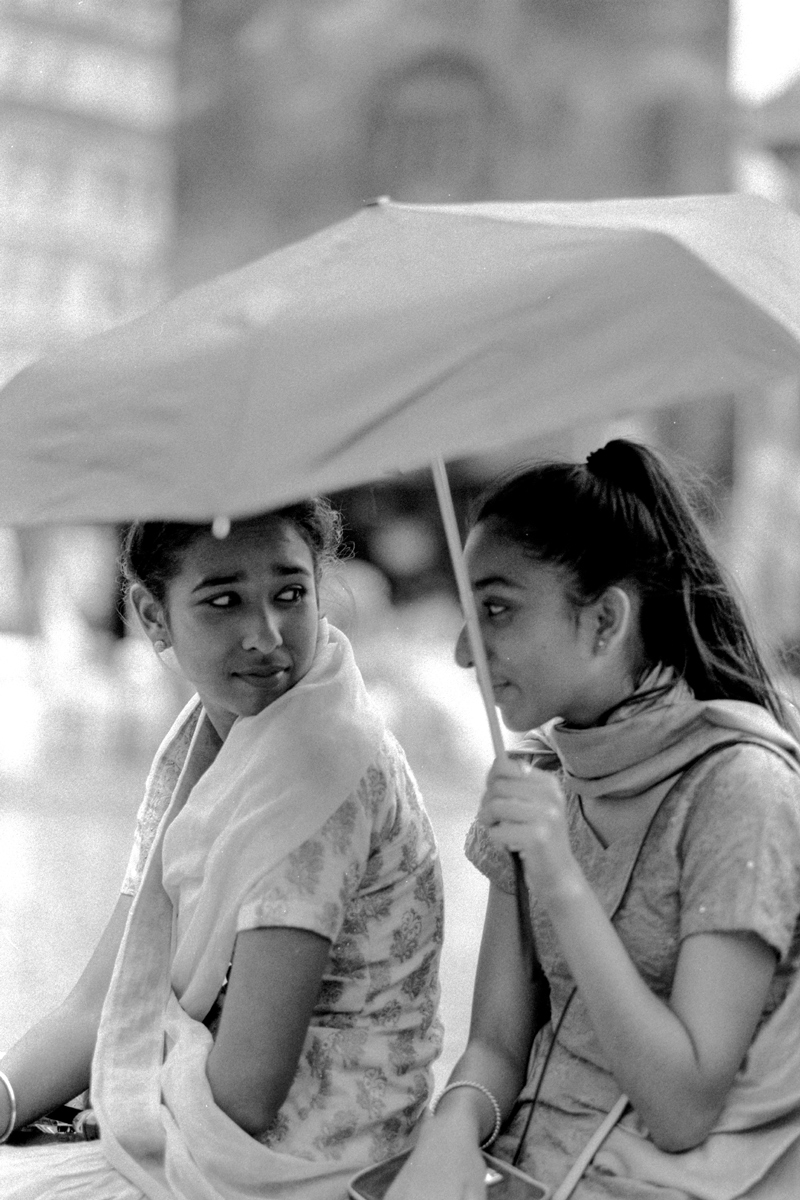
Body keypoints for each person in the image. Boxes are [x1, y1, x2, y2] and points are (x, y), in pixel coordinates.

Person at [388, 439, 800, 1200]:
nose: (460, 651)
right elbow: (497, 1045)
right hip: (517, 1174)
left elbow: (682, 1107)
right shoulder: (541, 777)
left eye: (498, 610)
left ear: (605, 621)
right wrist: (450, 1129)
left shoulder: (743, 787)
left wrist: (560, 875)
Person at [0, 501, 443, 1200]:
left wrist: (120, 1101)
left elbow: (246, 1093)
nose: (265, 636)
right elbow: (104, 1003)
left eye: (290, 594)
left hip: (315, 1156)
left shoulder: (317, 763)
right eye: (225, 602)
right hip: (205, 1112)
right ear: (152, 617)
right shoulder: (213, 736)